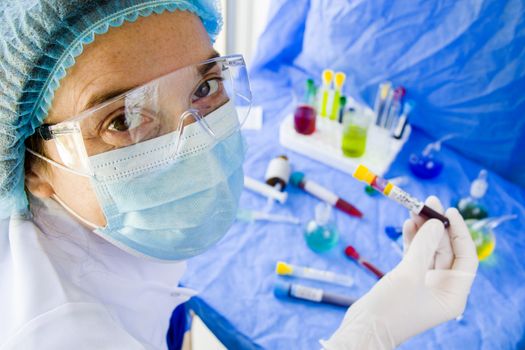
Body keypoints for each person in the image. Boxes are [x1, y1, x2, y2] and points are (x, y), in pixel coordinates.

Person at [0, 1, 478, 349]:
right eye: (121, 120)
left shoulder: (106, 228)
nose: (197, 145)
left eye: (205, 86)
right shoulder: (62, 334)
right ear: (34, 170)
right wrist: (370, 333)